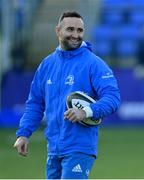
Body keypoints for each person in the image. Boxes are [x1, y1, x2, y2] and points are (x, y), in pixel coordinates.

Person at [14, 11, 121, 179]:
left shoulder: (94, 63)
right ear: (58, 31)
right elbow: (35, 103)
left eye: (80, 30)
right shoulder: (47, 64)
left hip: (80, 147)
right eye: (70, 29)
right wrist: (23, 133)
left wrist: (86, 111)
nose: (76, 35)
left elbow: (113, 97)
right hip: (54, 148)